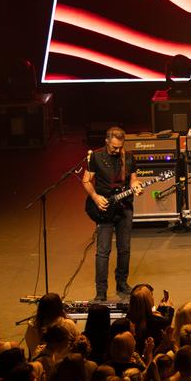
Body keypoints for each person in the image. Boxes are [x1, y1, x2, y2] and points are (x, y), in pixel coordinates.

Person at [83, 126, 139, 301]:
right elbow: (86, 180)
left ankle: (122, 283)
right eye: (114, 147)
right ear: (106, 141)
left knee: (124, 249)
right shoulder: (96, 157)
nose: (117, 150)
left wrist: (136, 185)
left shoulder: (128, 157)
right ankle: (101, 290)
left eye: (120, 147)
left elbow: (134, 178)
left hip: (124, 207)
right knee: (103, 251)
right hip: (104, 208)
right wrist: (95, 196)